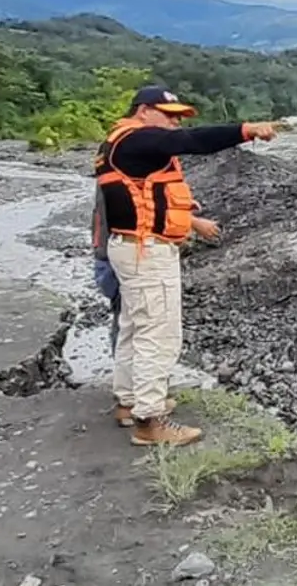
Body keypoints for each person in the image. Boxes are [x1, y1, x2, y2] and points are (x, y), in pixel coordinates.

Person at [95, 85, 278, 446]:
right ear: (144, 111)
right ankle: (149, 421)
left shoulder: (120, 142)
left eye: (178, 117)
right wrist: (246, 130)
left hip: (132, 248)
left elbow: (145, 191)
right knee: (157, 333)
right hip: (146, 252)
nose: (174, 124)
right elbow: (194, 141)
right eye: (169, 115)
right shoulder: (137, 139)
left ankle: (129, 400)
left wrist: (178, 212)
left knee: (134, 327)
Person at [92, 185, 221, 428]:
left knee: (130, 327)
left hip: (112, 255)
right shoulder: (132, 169)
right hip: (133, 255)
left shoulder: (113, 168)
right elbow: (145, 211)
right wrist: (189, 220)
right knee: (150, 332)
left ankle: (130, 401)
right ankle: (148, 414)